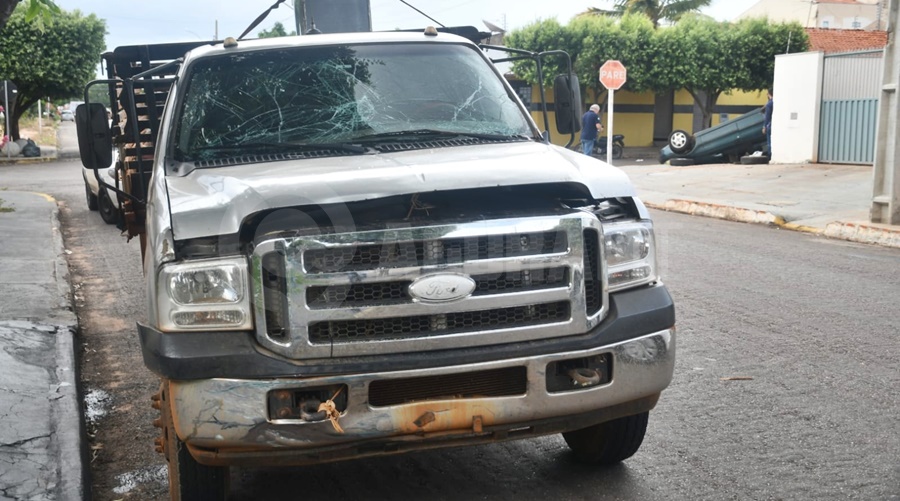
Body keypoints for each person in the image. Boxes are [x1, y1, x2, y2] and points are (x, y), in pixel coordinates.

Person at [762, 90, 773, 156]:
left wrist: (764, 126)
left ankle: (769, 156)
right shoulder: (775, 102)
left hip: (770, 125)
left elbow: (767, 116)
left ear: (769, 94)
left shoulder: (769, 104)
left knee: (769, 143)